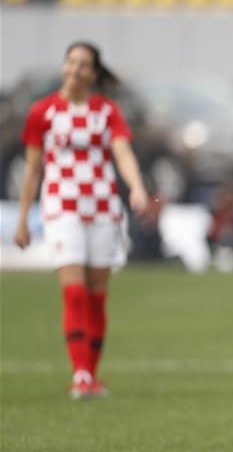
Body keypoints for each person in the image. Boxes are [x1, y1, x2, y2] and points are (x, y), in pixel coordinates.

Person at [14, 42, 149, 399]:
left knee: (95, 295)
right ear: (64, 67)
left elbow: (123, 153)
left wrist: (136, 188)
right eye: (71, 61)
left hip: (103, 207)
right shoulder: (41, 112)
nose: (75, 69)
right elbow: (32, 170)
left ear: (93, 73)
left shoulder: (106, 112)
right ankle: (81, 375)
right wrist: (23, 218)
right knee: (73, 290)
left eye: (83, 64)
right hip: (61, 207)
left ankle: (90, 372)